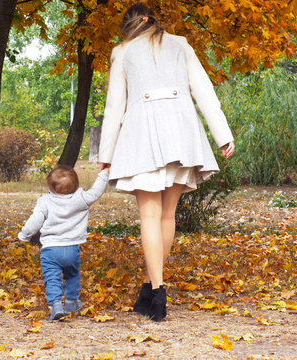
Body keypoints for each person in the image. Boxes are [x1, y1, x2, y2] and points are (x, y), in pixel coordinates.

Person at [98, 4, 235, 322]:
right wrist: (222, 134)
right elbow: (204, 91)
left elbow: (115, 104)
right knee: (167, 214)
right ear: (152, 20)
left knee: (150, 214)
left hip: (143, 131)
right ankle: (149, 289)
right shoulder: (181, 43)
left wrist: (106, 155)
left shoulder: (122, 52)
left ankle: (158, 292)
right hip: (182, 130)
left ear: (134, 23)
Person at [18, 165, 109, 320]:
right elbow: (96, 191)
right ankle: (72, 301)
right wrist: (104, 174)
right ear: (76, 185)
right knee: (72, 275)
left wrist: (24, 235)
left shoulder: (45, 201)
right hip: (72, 248)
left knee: (52, 277)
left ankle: (56, 305)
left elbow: (35, 221)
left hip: (50, 250)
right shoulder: (80, 199)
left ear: (50, 187)